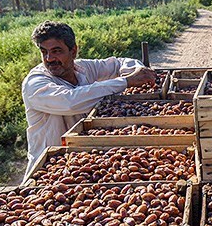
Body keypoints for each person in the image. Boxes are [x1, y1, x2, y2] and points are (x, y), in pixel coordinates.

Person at [22, 20, 156, 179]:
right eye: (44, 52)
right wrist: (126, 81)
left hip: (83, 161)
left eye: (57, 51)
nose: (49, 58)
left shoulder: (82, 68)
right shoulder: (35, 83)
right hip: (49, 170)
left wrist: (137, 71)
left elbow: (116, 64)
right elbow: (70, 101)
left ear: (73, 51)